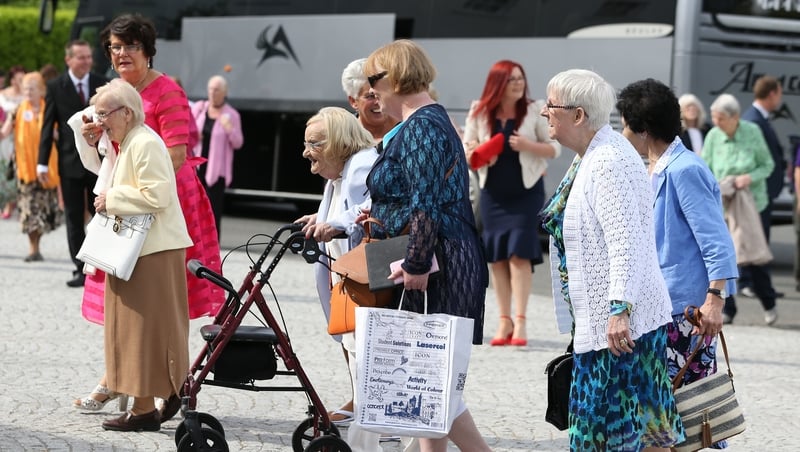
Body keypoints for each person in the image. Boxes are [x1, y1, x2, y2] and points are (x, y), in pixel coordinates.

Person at [74, 13, 224, 422]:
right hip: (131, 206)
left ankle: (155, 388)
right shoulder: (118, 99)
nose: (121, 54)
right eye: (115, 47)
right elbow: (116, 157)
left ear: (147, 49)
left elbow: (173, 156)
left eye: (129, 46)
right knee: (130, 310)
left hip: (160, 208)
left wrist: (123, 189)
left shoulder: (165, 94)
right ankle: (131, 381)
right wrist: (102, 140)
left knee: (155, 309)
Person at [540, 69, 684, 450]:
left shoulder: (607, 161)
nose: (543, 113)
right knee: (649, 430)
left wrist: (619, 310)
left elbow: (626, 242)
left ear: (578, 115)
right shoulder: (596, 153)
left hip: (621, 328)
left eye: (550, 105)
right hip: (621, 322)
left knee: (606, 434)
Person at [364, 39, 490, 452]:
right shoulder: (425, 123)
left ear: (396, 77)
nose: (370, 90)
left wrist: (416, 263)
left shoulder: (422, 126)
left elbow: (426, 203)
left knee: (433, 382)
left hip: (440, 264)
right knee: (426, 384)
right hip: (437, 258)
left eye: (374, 79)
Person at [617, 78, 738, 449]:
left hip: (684, 315)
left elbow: (717, 243)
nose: (620, 131)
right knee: (659, 422)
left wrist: (715, 301)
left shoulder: (685, 170)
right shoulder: (653, 168)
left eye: (625, 123)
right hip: (657, 311)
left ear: (643, 129)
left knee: (682, 422)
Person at [85, 78, 192, 432]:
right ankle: (145, 405)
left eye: (104, 115)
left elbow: (158, 194)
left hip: (152, 249)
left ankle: (155, 401)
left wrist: (111, 200)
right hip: (139, 249)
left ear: (126, 113)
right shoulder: (129, 140)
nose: (100, 122)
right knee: (133, 330)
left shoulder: (144, 142)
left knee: (144, 330)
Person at [294, 106, 381, 451]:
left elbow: (368, 208)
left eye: (314, 144)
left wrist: (336, 222)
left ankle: (367, 442)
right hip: (351, 284)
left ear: (339, 142)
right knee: (359, 359)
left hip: (362, 284)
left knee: (365, 362)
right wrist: (321, 215)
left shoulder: (360, 165)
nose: (306, 152)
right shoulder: (343, 172)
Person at [462, 60, 560, 347]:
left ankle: (520, 322)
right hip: (492, 192)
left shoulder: (533, 108)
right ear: (498, 84)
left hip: (526, 191)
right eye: (512, 79)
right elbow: (468, 149)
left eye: (521, 78)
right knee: (498, 256)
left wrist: (528, 146)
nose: (519, 83)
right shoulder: (479, 110)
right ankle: (503, 321)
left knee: (518, 252)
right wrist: (482, 151)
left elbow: (554, 147)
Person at [702, 93, 778, 325]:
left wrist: (749, 177)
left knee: (755, 258)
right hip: (723, 205)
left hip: (753, 205)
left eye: (721, 118)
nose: (716, 122)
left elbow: (768, 165)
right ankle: (729, 308)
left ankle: (769, 302)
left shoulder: (752, 131)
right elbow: (706, 166)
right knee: (725, 257)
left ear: (735, 117)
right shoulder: (714, 135)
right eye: (714, 118)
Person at [38, 40, 106, 288]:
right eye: (81, 57)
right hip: (69, 163)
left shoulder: (101, 81)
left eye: (89, 57)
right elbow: (48, 125)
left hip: (99, 162)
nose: (87, 61)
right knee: (74, 218)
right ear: (69, 60)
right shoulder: (56, 86)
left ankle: (101, 264)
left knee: (101, 214)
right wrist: (41, 163)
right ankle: (80, 269)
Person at [0, 72, 63, 261]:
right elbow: (4, 132)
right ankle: (33, 248)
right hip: (25, 169)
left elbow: (60, 134)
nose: (27, 91)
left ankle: (37, 243)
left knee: (43, 211)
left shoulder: (50, 109)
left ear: (41, 90)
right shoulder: (18, 110)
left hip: (46, 168)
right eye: (26, 88)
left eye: (31, 88)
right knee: (29, 210)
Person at [739, 75, 785, 299]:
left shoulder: (759, 118)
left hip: (762, 191)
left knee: (758, 237)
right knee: (753, 237)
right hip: (755, 192)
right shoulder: (753, 120)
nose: (780, 98)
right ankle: (751, 283)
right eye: (780, 93)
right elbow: (755, 159)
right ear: (772, 93)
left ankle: (756, 284)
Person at [191, 74, 244, 234]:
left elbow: (238, 143)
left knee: (212, 214)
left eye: (217, 90)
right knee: (194, 212)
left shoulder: (232, 115)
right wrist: (195, 135)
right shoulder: (199, 108)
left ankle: (212, 253)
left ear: (224, 93)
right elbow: (187, 133)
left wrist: (229, 129)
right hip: (197, 168)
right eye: (211, 89)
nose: (213, 93)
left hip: (216, 172)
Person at [341, 58, 397, 144]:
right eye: (371, 96)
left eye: (382, 93)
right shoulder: (343, 137)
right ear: (353, 101)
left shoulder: (407, 130)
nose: (378, 101)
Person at [0, 65, 26, 220]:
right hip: (5, 135)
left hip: (22, 136)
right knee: (4, 168)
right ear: (13, 80)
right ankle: (6, 200)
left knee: (18, 168)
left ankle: (15, 203)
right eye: (19, 79)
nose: (21, 82)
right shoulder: (3, 94)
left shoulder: (29, 95)